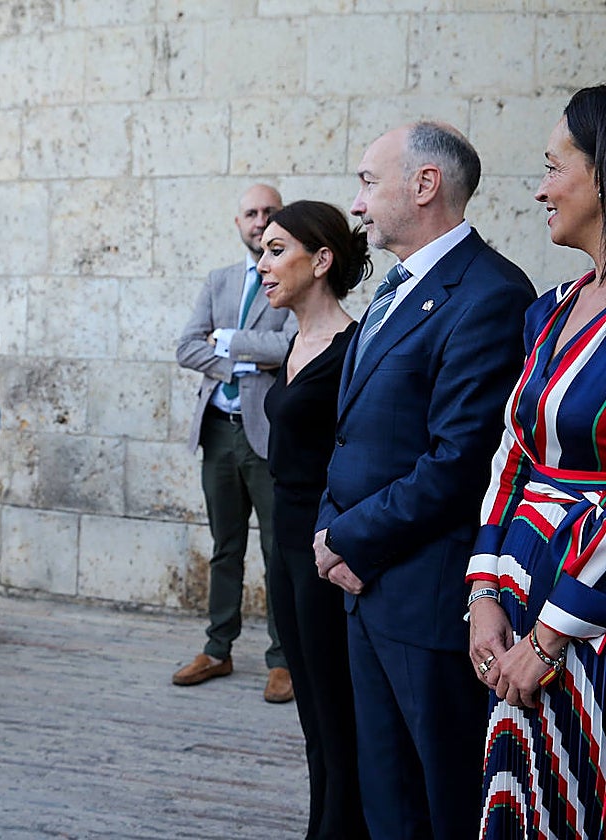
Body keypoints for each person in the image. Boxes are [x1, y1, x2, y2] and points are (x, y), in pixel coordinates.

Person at [313, 122, 535, 839]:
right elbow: (352, 435)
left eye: (367, 182)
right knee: (386, 799)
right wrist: (331, 531)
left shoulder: (490, 293)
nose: (356, 204)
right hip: (365, 588)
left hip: (426, 601)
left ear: (425, 184)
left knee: (441, 801)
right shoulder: (396, 288)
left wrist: (343, 536)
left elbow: (458, 463)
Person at [467, 85, 606, 839]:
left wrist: (553, 636)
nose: (541, 188)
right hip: (522, 597)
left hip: (588, 622)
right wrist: (483, 592)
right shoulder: (547, 307)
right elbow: (509, 459)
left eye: (554, 167)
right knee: (521, 800)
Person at [259, 201, 369, 840]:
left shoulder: (353, 349)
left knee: (336, 710)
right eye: (263, 251)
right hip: (285, 540)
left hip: (327, 544)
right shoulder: (294, 341)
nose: (264, 265)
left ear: (321, 260)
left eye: (277, 251)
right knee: (312, 715)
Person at [173, 183, 297, 704]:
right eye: (251, 213)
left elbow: (290, 345)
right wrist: (240, 366)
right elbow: (185, 346)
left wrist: (227, 341)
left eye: (269, 213)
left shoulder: (292, 278)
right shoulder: (219, 280)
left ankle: (282, 658)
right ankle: (217, 647)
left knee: (277, 549)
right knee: (225, 547)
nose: (259, 220)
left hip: (265, 434)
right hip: (218, 433)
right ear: (238, 222)